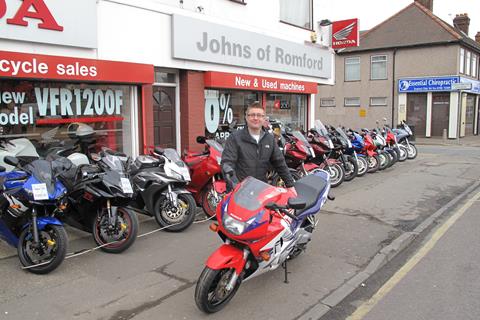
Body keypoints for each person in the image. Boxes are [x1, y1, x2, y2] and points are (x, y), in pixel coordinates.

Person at [221, 101, 296, 193]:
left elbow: (280, 163)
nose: (256, 118)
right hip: (239, 193)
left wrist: (290, 185)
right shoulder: (235, 138)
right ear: (246, 117)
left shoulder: (269, 139)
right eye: (252, 115)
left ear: (264, 118)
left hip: (260, 192)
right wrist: (236, 186)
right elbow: (227, 165)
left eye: (259, 115)